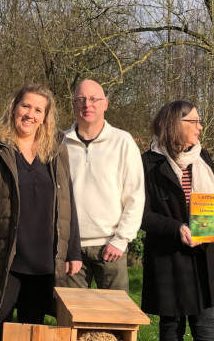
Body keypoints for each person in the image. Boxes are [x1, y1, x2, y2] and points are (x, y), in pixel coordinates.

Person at [0, 84, 82, 341]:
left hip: (43, 260)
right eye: (26, 106)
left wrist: (72, 251)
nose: (30, 114)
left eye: (38, 110)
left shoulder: (55, 150)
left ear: (45, 117)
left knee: (32, 330)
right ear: (14, 107)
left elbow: (67, 202)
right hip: (5, 256)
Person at [140, 101, 214, 341]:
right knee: (171, 326)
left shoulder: (203, 157)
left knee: (205, 325)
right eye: (194, 121)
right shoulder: (148, 163)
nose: (200, 127)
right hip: (169, 258)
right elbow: (141, 214)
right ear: (175, 124)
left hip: (203, 255)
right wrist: (177, 228)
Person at [62, 79, 145, 292]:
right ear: (73, 104)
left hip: (111, 247)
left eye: (93, 99)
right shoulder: (60, 144)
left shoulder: (123, 142)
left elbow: (135, 196)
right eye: (81, 99)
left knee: (115, 319)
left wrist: (121, 240)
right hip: (72, 250)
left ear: (105, 104)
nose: (87, 105)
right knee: (74, 319)